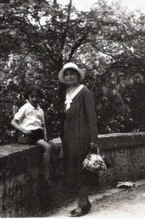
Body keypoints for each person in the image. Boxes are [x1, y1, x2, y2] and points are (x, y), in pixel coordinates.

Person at [58, 62, 98, 217]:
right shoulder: (68, 92)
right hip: (70, 139)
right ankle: (85, 202)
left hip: (82, 138)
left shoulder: (84, 92)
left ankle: (81, 205)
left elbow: (92, 116)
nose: (69, 77)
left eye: (72, 73)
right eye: (66, 74)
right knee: (73, 171)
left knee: (80, 171)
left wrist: (93, 139)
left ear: (78, 76)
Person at [11, 85, 57, 186]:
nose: (34, 99)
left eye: (37, 97)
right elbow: (13, 122)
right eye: (32, 97)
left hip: (39, 134)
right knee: (48, 147)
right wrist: (23, 130)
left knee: (56, 147)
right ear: (28, 97)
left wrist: (45, 135)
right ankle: (46, 175)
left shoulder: (40, 110)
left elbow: (43, 125)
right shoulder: (25, 108)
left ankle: (52, 169)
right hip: (30, 135)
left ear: (40, 98)